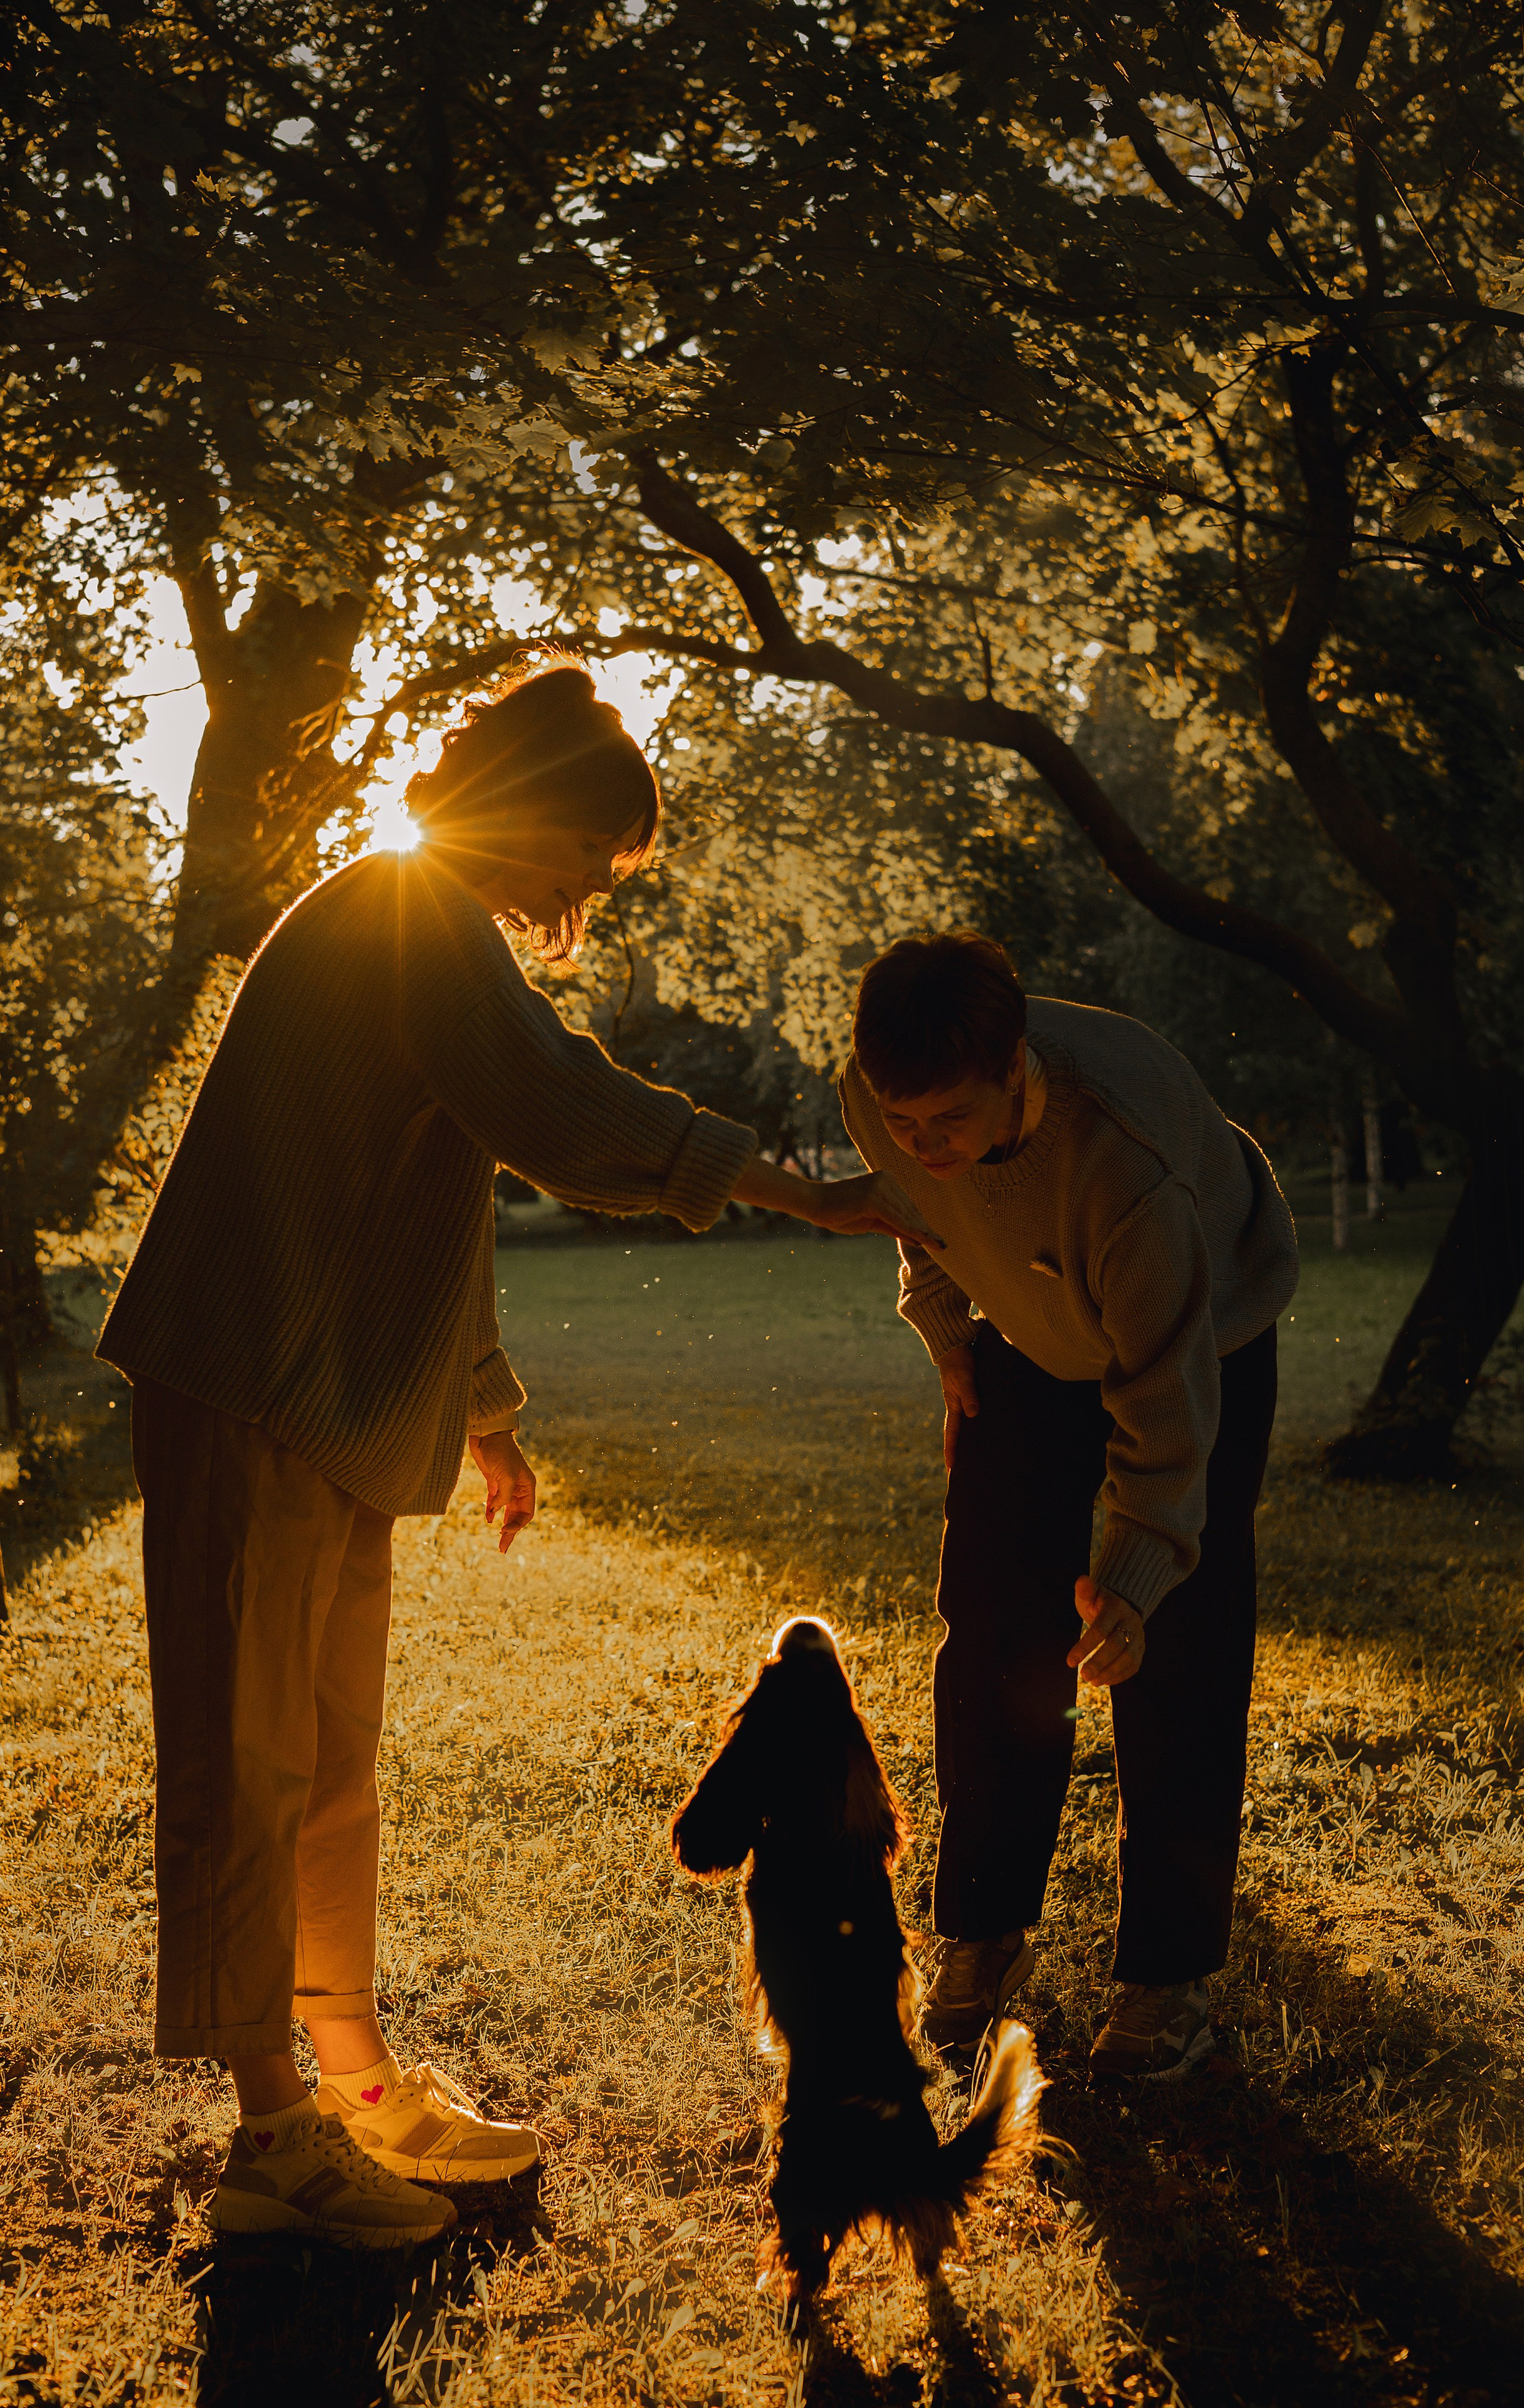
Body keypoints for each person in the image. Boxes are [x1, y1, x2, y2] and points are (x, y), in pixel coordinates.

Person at [98, 661, 935, 2248]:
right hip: (243, 1377)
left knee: (330, 1763)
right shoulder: (405, 908)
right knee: (244, 1764)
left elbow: (439, 1184)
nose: (578, 896)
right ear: (537, 813)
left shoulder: (425, 933)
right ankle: (270, 2135)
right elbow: (548, 1105)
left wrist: (483, 1411)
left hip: (333, 1402)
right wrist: (789, 1184)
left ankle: (351, 2072)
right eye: (586, 860)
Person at [839, 933, 1298, 2082]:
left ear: (1014, 1069)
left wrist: (1135, 1579)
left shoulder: (1124, 1162)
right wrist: (949, 1332)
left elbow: (1169, 1405)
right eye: (904, 1121)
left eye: (948, 1119)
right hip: (1030, 1325)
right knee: (992, 1617)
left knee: (1173, 1647)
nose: (921, 1143)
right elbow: (918, 1210)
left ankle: (1168, 1977)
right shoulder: (877, 1090)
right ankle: (984, 1930)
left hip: (1203, 1329)